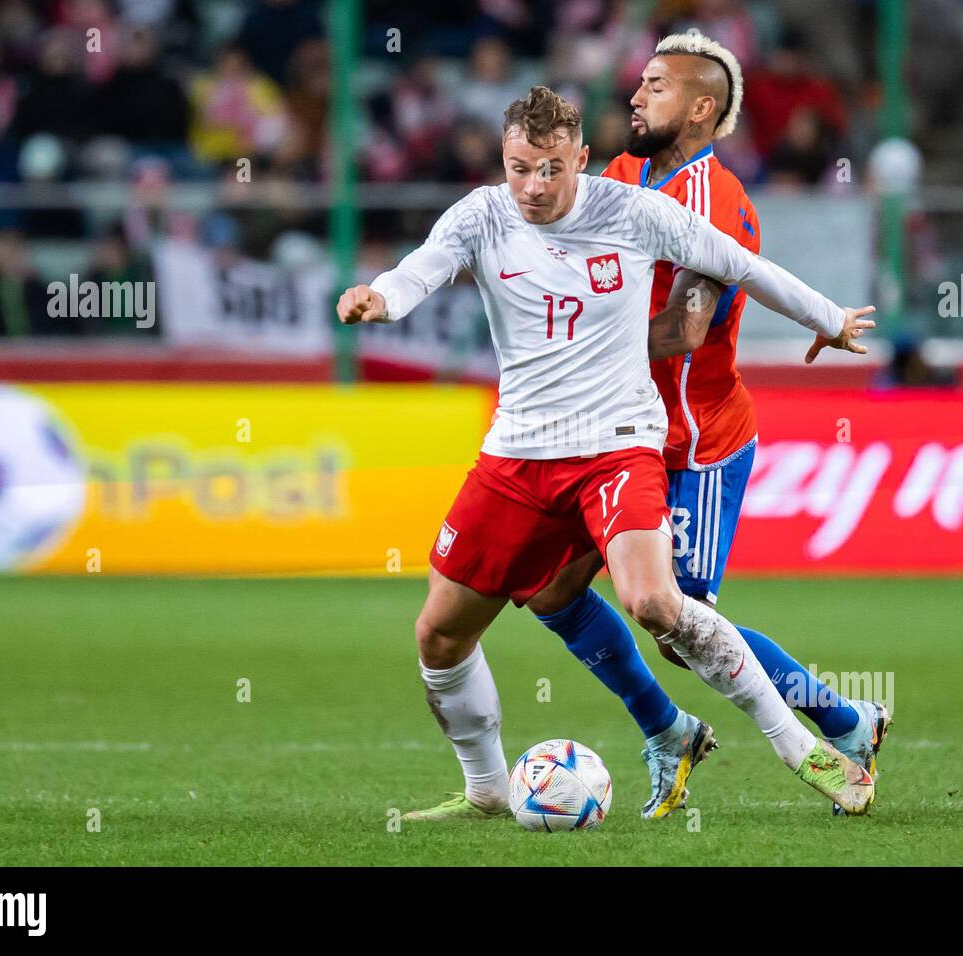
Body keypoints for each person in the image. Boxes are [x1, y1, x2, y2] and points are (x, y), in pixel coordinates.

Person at [336, 86, 877, 823]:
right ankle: (489, 791)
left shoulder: (631, 211)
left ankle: (804, 751)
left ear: (581, 160)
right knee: (440, 632)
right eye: (519, 167)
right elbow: (421, 269)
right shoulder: (482, 214)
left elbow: (740, 264)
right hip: (517, 458)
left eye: (551, 168)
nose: (534, 185)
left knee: (655, 601)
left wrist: (830, 318)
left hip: (618, 448)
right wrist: (381, 298)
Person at [531, 34, 891, 818]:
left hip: (696, 442)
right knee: (551, 588)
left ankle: (844, 721)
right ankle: (668, 731)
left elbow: (685, 330)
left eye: (655, 86)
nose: (635, 96)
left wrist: (566, 335)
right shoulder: (619, 176)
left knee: (678, 616)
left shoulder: (722, 205)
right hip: (617, 433)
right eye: (638, 82)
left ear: (700, 109)